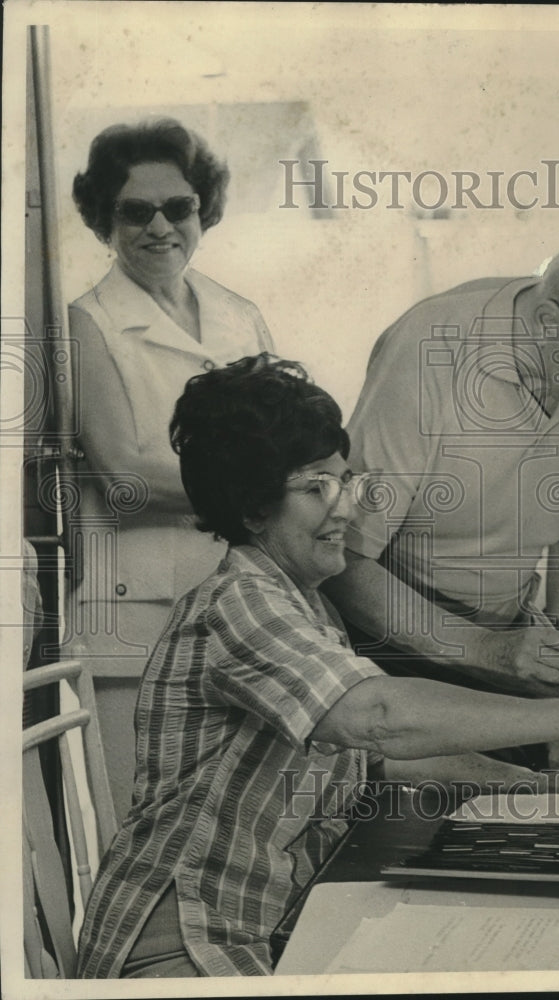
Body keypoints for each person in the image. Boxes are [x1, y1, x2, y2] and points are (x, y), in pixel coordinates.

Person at [76, 354, 559, 978]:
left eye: (346, 480)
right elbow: (380, 718)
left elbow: (369, 761)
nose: (346, 506)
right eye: (315, 487)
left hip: (251, 925)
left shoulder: (304, 606)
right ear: (253, 508)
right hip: (179, 941)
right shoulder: (239, 602)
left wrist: (524, 785)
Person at [323, 231, 559, 770]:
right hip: (389, 655)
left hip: (507, 648)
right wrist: (488, 652)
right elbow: (340, 562)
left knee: (545, 813)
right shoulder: (429, 354)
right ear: (549, 324)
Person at [65, 119, 274, 818]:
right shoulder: (87, 323)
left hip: (238, 607)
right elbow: (124, 474)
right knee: (142, 819)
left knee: (233, 818)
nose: (160, 227)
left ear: (201, 209)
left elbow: (286, 441)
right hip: (133, 616)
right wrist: (256, 490)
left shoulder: (240, 315)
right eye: (135, 211)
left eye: (177, 207)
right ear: (104, 219)